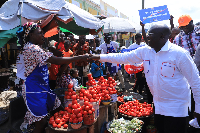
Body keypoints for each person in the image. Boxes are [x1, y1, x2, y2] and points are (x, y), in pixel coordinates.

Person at [89, 24, 200, 133]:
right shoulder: (146, 51)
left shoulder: (180, 54)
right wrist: (97, 57)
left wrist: (198, 109)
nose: (146, 37)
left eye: (149, 35)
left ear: (162, 36)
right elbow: (123, 57)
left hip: (177, 111)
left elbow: (196, 82)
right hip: (158, 108)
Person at [16, 22, 88, 133]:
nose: (42, 35)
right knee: (42, 121)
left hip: (42, 88)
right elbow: (56, 60)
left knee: (58, 108)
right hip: (34, 90)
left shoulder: (34, 47)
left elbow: (50, 54)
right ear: (31, 35)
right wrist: (79, 57)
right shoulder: (31, 49)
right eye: (40, 33)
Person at [174, 15, 200, 121]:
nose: (184, 29)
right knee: (191, 96)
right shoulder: (178, 38)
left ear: (192, 22)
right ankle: (192, 118)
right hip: (187, 71)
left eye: (186, 26)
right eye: (182, 27)